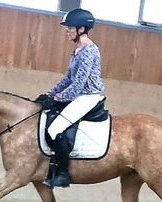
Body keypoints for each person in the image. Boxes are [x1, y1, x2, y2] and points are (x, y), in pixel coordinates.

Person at [36, 8, 105, 188]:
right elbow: (68, 79)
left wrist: (56, 99)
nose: (67, 31)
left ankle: (63, 174)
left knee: (55, 129)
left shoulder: (89, 51)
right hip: (79, 95)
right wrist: (49, 94)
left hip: (88, 96)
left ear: (81, 29)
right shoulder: (77, 51)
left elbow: (78, 85)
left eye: (70, 28)